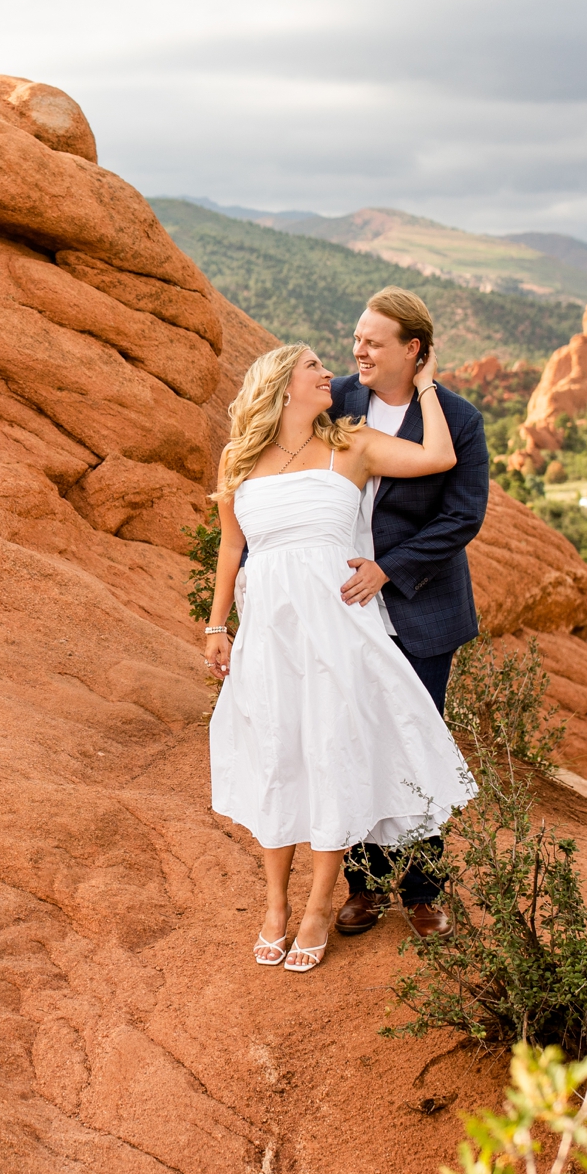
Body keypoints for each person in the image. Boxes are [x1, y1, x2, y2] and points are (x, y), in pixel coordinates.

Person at [203, 340, 479, 974]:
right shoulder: (238, 459)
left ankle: (318, 907)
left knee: (331, 756)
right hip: (271, 633)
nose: (328, 373)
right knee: (277, 757)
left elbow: (438, 456)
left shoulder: (350, 444)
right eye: (312, 368)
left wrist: (428, 384)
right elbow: (230, 548)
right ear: (281, 386)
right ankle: (274, 906)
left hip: (337, 630)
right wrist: (217, 624)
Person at [329, 288, 490, 940]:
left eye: (373, 341)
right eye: (358, 337)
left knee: (417, 744)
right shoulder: (339, 400)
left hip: (420, 608)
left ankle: (423, 891)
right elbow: (301, 477)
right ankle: (364, 887)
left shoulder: (458, 418)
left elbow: (463, 514)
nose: (358, 349)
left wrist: (388, 567)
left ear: (412, 350)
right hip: (342, 605)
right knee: (356, 741)